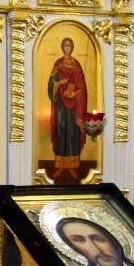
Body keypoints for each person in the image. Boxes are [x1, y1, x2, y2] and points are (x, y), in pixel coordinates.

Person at [47, 37, 87, 181]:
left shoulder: (77, 66)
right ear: (62, 47)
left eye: (69, 46)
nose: (67, 48)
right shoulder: (58, 64)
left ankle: (72, 166)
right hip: (60, 105)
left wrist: (74, 94)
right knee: (61, 131)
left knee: (72, 133)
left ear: (72, 47)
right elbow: (51, 85)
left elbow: (82, 88)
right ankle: (60, 165)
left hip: (74, 107)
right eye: (65, 46)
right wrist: (59, 83)